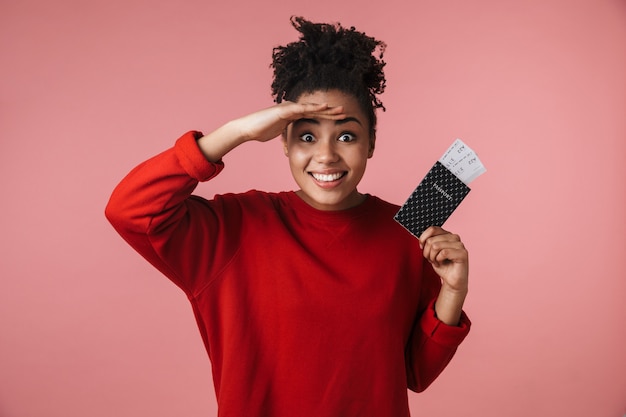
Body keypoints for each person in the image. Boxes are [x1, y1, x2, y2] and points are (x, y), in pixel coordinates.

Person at [105, 16, 471, 417]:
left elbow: (415, 373)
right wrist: (234, 132)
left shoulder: (406, 234)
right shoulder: (234, 227)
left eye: (346, 135)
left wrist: (452, 292)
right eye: (307, 136)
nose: (327, 155)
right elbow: (130, 210)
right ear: (283, 141)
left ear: (371, 143)